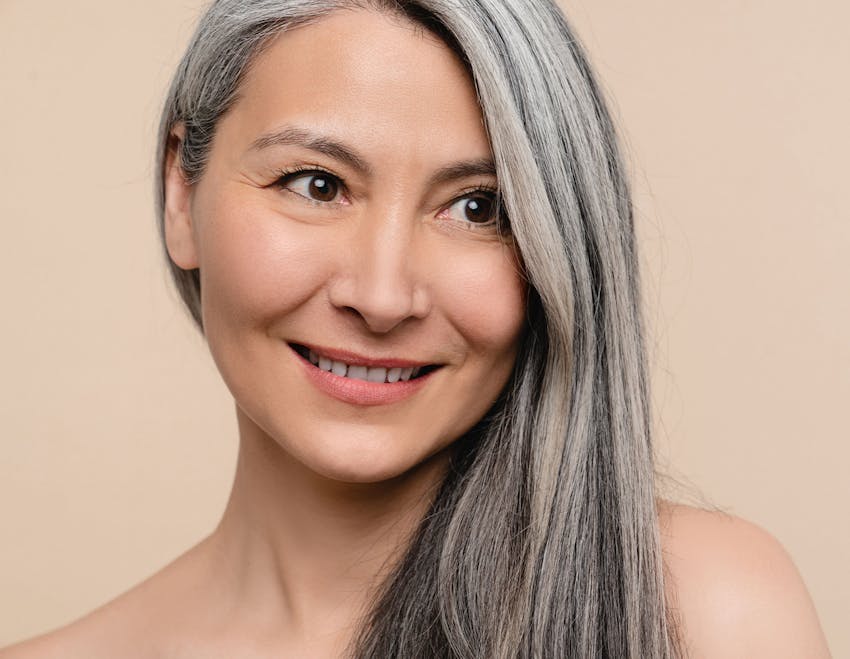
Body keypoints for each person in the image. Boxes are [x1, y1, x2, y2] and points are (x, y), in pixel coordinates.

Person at [1, 0, 831, 657]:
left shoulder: (705, 613)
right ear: (181, 193)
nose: (384, 292)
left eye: (478, 207)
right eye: (316, 184)